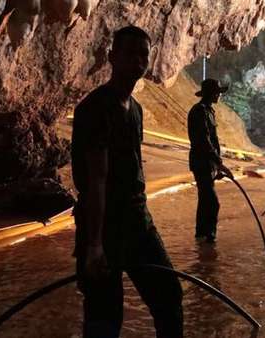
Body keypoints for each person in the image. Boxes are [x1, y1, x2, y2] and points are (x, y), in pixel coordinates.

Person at [71, 26, 183, 338]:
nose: (137, 61)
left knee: (170, 296)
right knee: (105, 318)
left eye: (143, 55)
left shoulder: (136, 110)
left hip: (138, 223)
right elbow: (97, 179)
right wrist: (94, 245)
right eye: (129, 53)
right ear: (112, 58)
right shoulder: (95, 108)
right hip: (104, 227)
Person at [187, 79, 233, 243]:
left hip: (208, 163)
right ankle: (209, 237)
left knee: (205, 200)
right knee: (212, 203)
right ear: (213, 93)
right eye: (218, 92)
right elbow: (203, 140)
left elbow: (212, 140)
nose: (220, 95)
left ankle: (201, 236)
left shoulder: (208, 111)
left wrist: (216, 167)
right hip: (201, 162)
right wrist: (219, 163)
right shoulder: (199, 111)